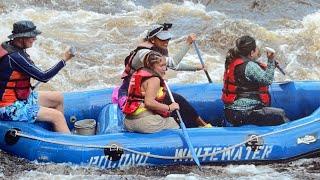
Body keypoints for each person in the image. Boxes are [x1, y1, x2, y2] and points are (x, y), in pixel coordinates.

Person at [115, 23, 211, 128]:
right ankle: (203, 125)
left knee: (175, 101)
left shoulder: (156, 50)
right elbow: (173, 63)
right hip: (134, 91)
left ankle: (197, 125)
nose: (166, 42)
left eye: (167, 39)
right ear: (152, 40)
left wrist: (196, 68)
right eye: (162, 39)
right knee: (177, 100)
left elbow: (172, 65)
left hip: (146, 88)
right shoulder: (143, 53)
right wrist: (187, 43)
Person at [0, 20, 74, 133]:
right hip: (9, 107)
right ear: (20, 38)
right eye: (31, 36)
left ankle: (58, 132)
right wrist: (64, 60)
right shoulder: (15, 57)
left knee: (58, 98)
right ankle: (70, 145)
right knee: (57, 116)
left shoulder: (9, 46)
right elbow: (43, 77)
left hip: (20, 98)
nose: (34, 38)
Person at [221, 35, 289, 126]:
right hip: (245, 113)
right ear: (252, 52)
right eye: (256, 48)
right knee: (280, 114)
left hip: (230, 112)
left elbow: (248, 76)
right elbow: (267, 80)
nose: (258, 50)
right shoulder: (250, 66)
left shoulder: (232, 60)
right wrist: (271, 60)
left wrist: (270, 66)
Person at [122, 51, 180, 133]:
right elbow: (149, 102)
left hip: (128, 122)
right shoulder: (154, 79)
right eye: (161, 66)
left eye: (165, 65)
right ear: (152, 67)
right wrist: (170, 108)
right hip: (145, 122)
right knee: (174, 123)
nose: (165, 69)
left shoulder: (138, 73)